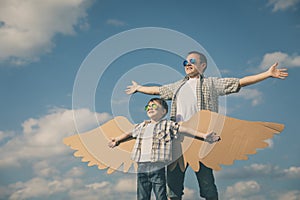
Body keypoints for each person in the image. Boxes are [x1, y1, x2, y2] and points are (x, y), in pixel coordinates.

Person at [125, 51, 288, 200]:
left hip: (201, 141)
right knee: (173, 189)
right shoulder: (177, 86)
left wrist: (267, 74)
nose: (188, 64)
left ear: (203, 65)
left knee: (207, 184)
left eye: (192, 61)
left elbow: (239, 82)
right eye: (185, 62)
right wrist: (139, 88)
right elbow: (157, 91)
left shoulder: (211, 84)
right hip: (177, 142)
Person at [108, 97, 220, 200]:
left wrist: (204, 136)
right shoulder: (141, 126)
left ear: (163, 111)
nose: (150, 108)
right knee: (142, 195)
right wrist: (117, 140)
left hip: (157, 165)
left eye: (154, 106)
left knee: (161, 195)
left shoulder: (167, 125)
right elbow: (129, 133)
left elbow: (184, 130)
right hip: (142, 166)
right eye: (148, 107)